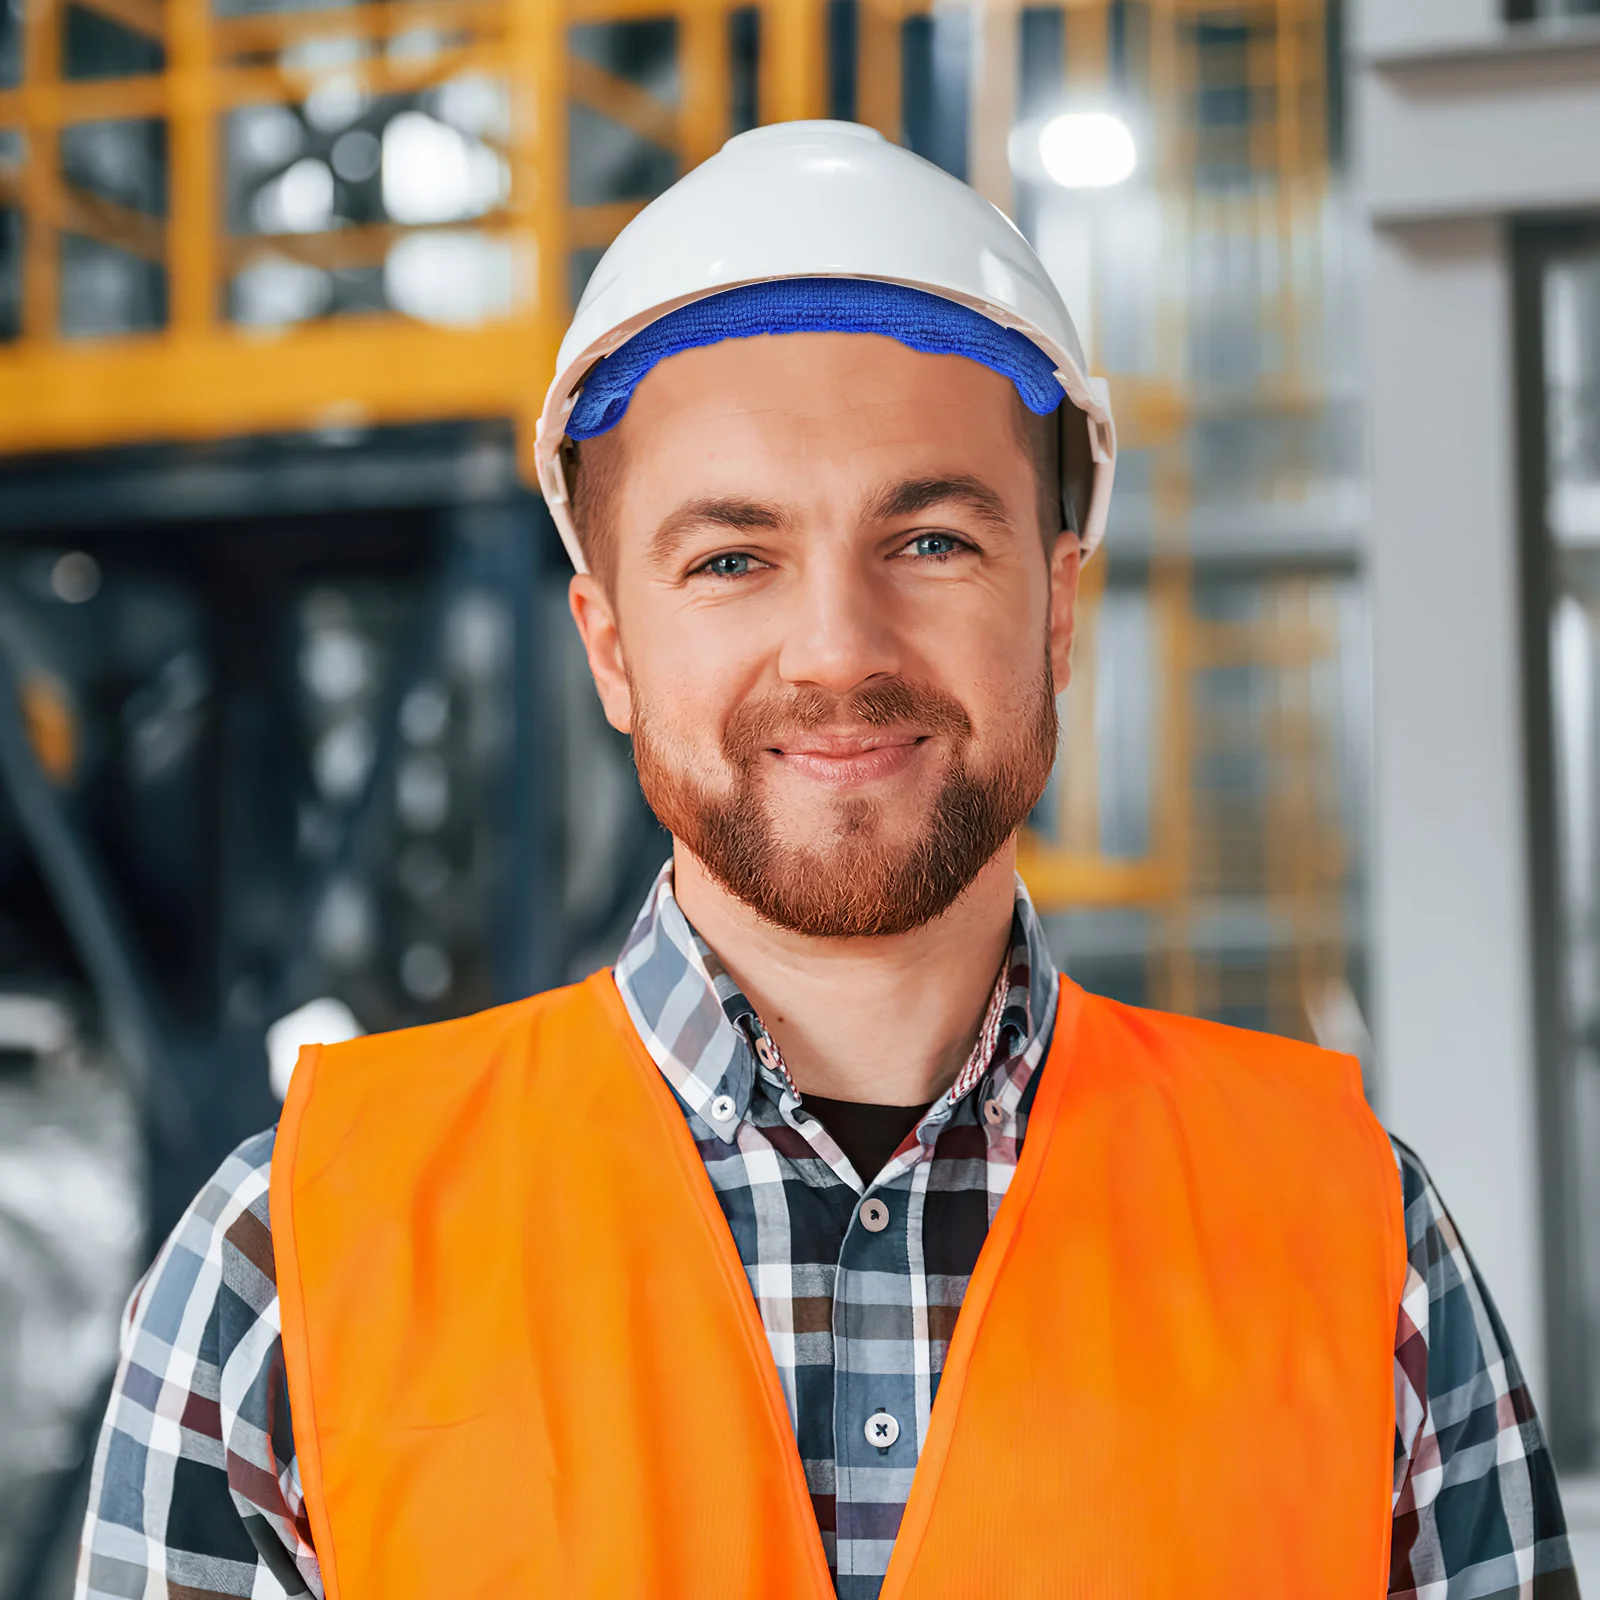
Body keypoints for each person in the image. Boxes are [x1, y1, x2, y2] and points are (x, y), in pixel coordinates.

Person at [76, 121, 1575, 1600]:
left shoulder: (1360, 1245)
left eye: (930, 541)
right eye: (732, 558)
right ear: (608, 646)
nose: (840, 650)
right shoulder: (289, 1266)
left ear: (1056, 610)